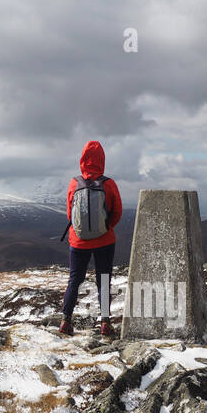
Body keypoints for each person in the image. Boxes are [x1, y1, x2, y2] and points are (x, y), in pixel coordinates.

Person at [59, 140, 122, 337]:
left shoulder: (74, 183)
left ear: (83, 159)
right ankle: (105, 323)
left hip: (78, 242)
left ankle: (65, 321)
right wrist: (106, 227)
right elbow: (117, 211)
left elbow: (70, 213)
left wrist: (80, 231)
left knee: (74, 280)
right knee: (103, 280)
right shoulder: (108, 184)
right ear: (102, 160)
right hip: (104, 240)